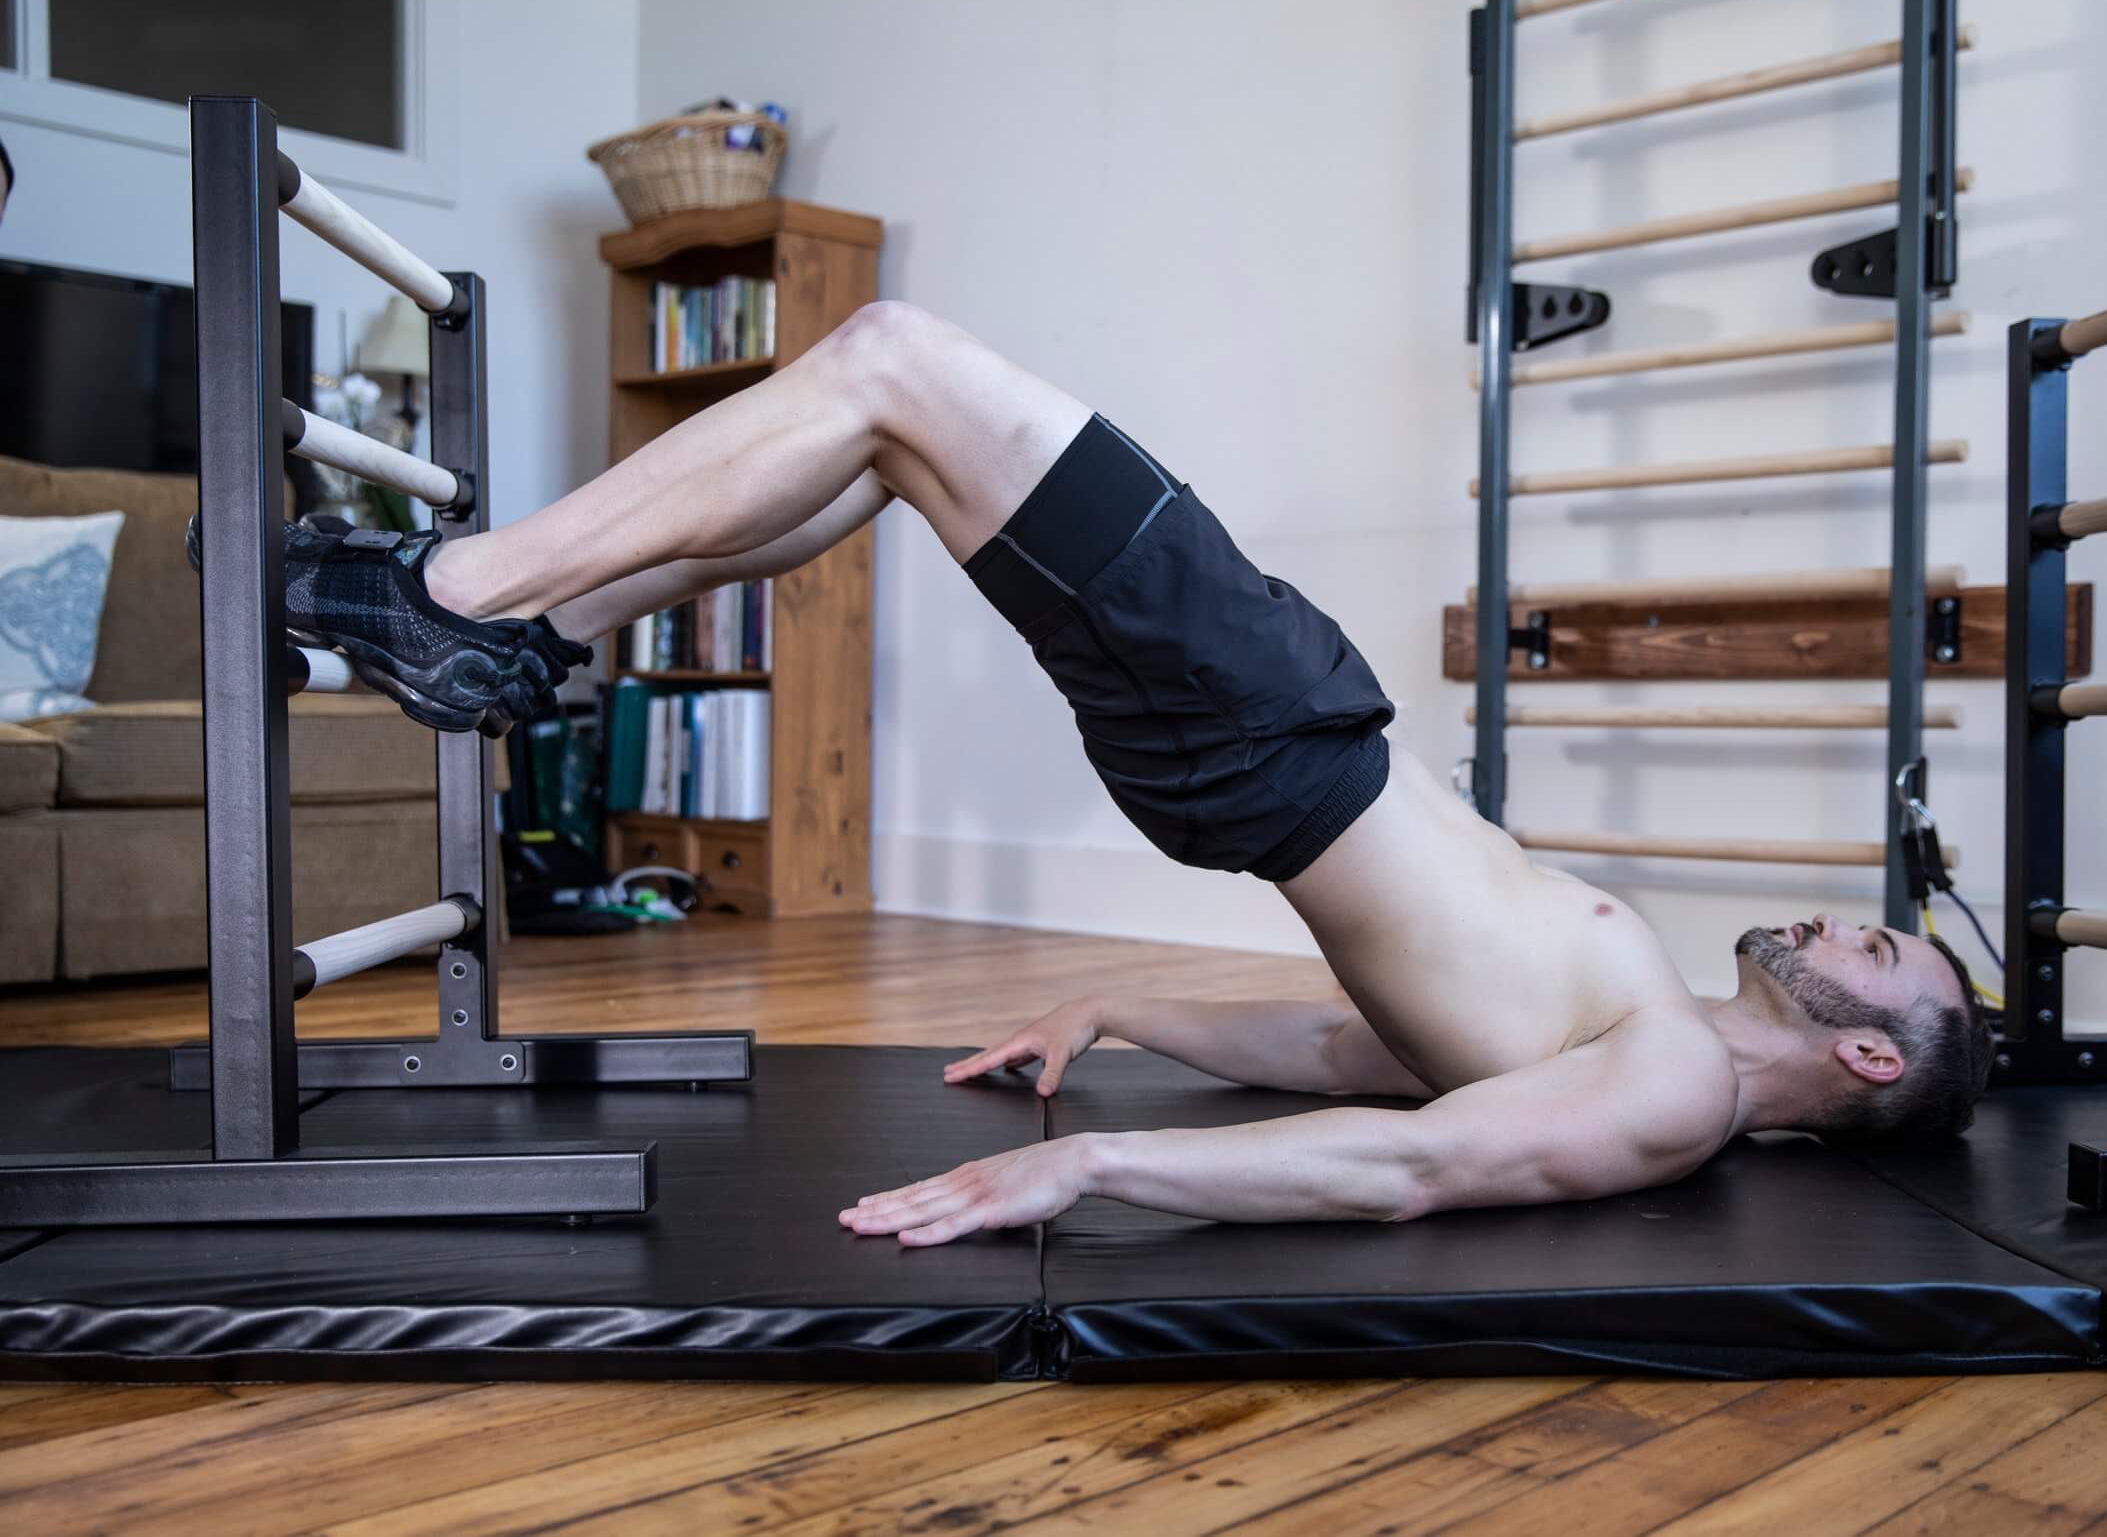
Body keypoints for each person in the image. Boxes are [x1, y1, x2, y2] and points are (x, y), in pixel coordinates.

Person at [243, 301, 1995, 1245]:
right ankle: (535, 640)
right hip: (1265, 743)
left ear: (1863, 1049)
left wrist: (1098, 1173)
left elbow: (1415, 1167)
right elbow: (1360, 1048)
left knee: (891, 360)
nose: (1853, 921)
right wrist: (1124, 1013)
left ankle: (462, 594)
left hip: (1269, 725)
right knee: (877, 455)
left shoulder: (1677, 1091)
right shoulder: (1640, 1025)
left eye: (1883, 951)